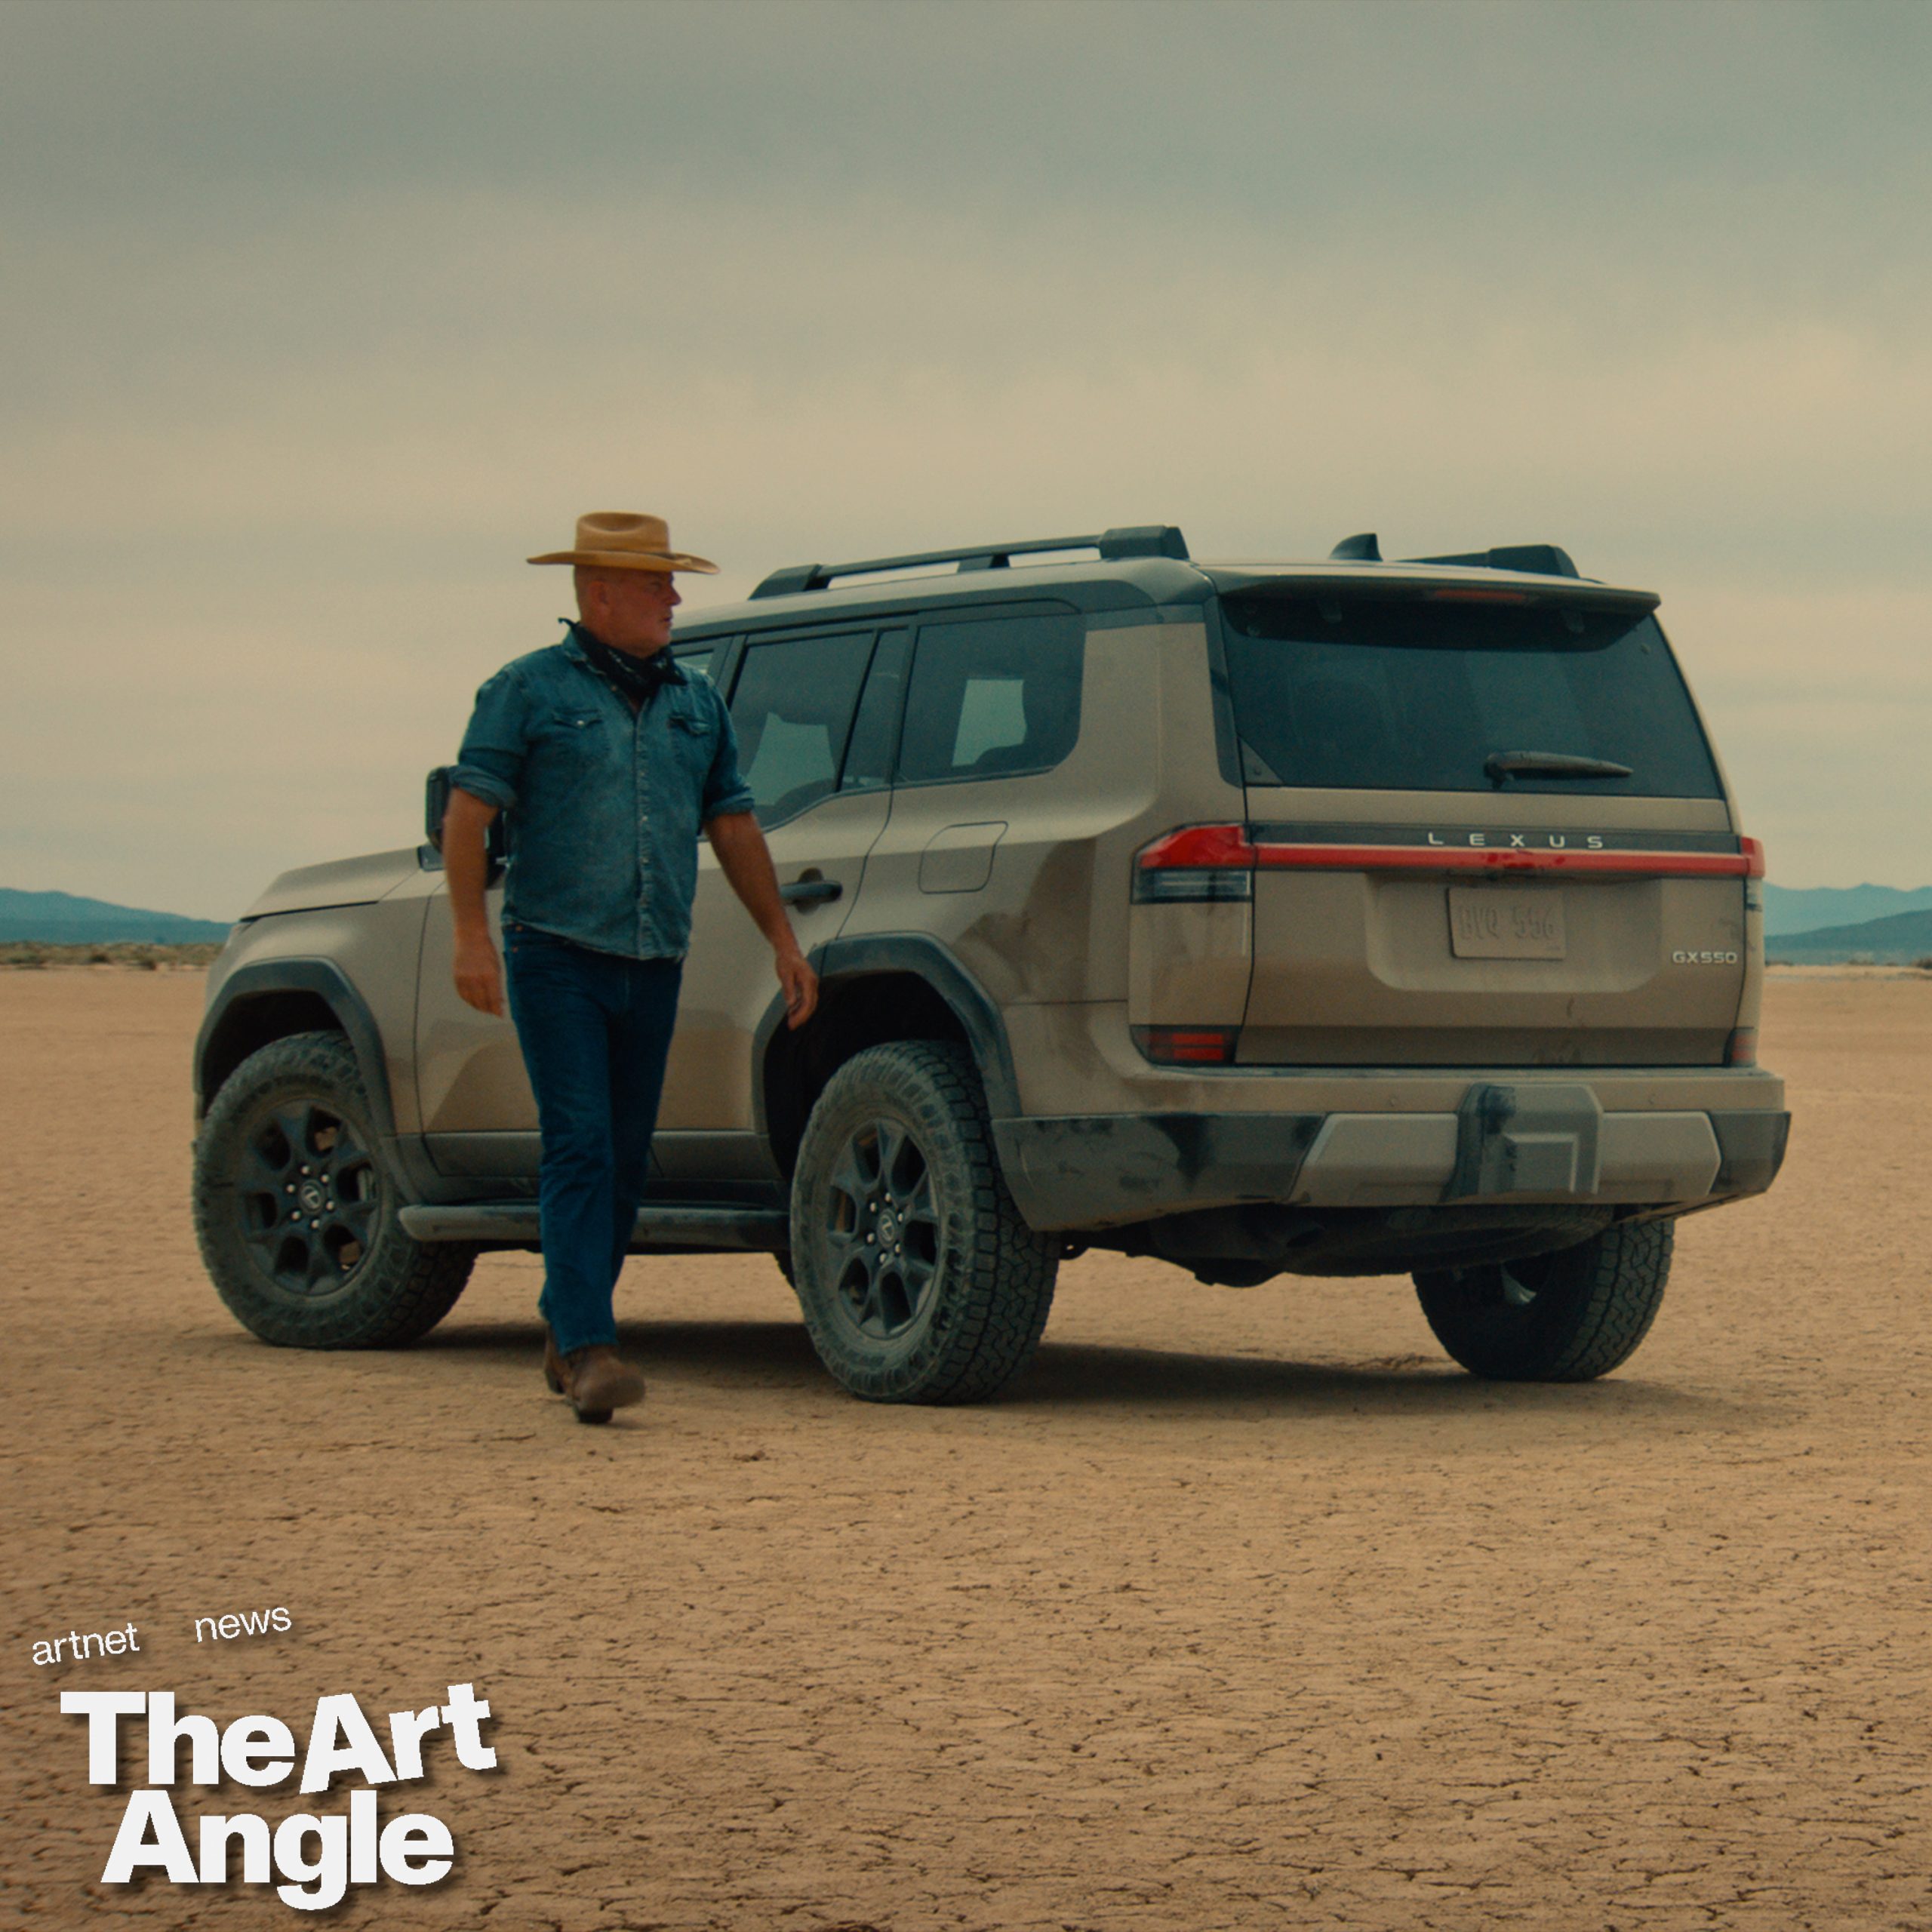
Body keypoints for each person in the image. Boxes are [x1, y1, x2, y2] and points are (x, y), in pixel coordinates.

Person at [442, 511, 817, 1423]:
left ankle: (565, 1316)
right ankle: (589, 1348)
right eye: (658, 585)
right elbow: (469, 813)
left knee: (623, 1159)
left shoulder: (697, 703)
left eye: (671, 582)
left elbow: (730, 823)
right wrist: (469, 935)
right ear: (599, 592)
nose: (674, 599)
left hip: (654, 960)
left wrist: (781, 938)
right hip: (555, 954)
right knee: (578, 1143)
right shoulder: (524, 690)